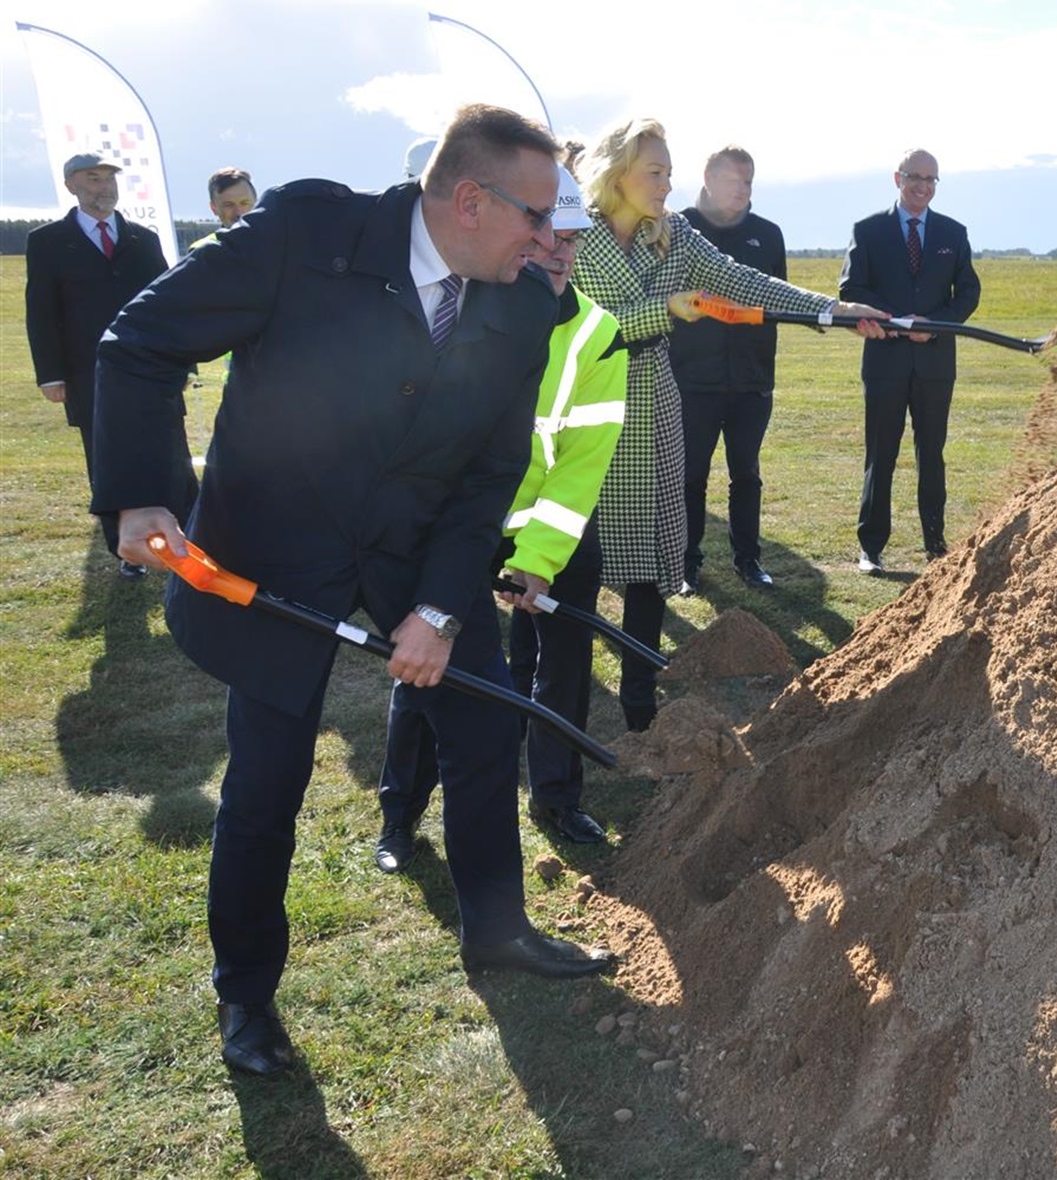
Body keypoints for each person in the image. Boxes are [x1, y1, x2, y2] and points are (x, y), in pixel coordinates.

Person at [92, 103, 615, 1080]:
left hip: (417, 548)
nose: (555, 240)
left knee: (483, 724)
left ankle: (497, 926)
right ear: (469, 199)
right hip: (272, 550)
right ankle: (245, 994)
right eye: (539, 217)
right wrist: (140, 496)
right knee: (267, 780)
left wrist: (442, 611)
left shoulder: (522, 303)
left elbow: (486, 477)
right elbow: (139, 344)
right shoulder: (304, 236)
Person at [569, 117, 885, 733]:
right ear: (615, 174)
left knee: (647, 566)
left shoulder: (674, 235)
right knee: (572, 565)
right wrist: (659, 311)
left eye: (668, 170)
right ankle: (562, 703)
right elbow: (575, 331)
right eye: (654, 171)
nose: (667, 183)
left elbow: (741, 280)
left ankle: (639, 705)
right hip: (585, 410)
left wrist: (831, 310)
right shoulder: (573, 238)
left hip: (654, 406)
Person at [375, 161, 628, 863]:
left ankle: (557, 796)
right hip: (464, 529)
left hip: (556, 529)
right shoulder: (463, 310)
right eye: (543, 231)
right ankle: (400, 816)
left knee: (563, 668)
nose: (555, 250)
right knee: (428, 667)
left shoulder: (597, 333)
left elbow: (582, 464)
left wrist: (537, 562)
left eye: (570, 238)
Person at [25, 152, 175, 577]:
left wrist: (182, 364)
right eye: (93, 179)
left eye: (109, 179)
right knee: (107, 459)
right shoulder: (48, 241)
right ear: (71, 184)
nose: (104, 187)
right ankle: (126, 551)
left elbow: (169, 302)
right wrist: (51, 374)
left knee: (167, 455)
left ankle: (181, 536)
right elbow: (41, 312)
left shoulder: (142, 239)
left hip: (149, 371)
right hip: (87, 375)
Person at [840, 148, 981, 573]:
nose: (923, 185)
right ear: (897, 178)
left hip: (935, 364)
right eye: (915, 177)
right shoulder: (868, 230)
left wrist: (934, 324)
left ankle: (935, 544)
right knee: (880, 452)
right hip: (885, 361)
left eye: (931, 179)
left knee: (931, 452)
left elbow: (968, 293)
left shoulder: (954, 234)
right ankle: (871, 547)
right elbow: (851, 289)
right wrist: (899, 322)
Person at [672, 146, 787, 591]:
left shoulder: (768, 234)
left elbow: (777, 299)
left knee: (747, 473)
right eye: (735, 181)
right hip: (691, 380)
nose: (743, 190)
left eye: (749, 182)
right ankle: (686, 563)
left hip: (751, 380)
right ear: (708, 180)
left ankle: (749, 559)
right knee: (690, 475)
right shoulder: (679, 229)